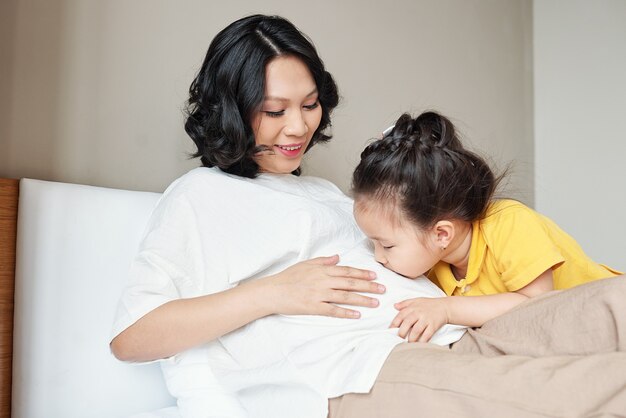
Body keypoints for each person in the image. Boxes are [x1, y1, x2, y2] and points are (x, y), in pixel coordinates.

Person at [110, 14, 465, 418]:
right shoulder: (200, 194)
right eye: (275, 112)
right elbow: (131, 339)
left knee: (550, 320)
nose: (299, 127)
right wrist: (275, 292)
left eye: (310, 105)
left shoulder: (325, 193)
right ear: (232, 112)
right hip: (371, 369)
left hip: (450, 335)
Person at [351, 111, 622, 343]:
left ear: (442, 234)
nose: (378, 257)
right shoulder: (433, 264)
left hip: (609, 311)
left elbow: (538, 305)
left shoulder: (509, 224)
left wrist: (446, 310)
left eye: (386, 245)